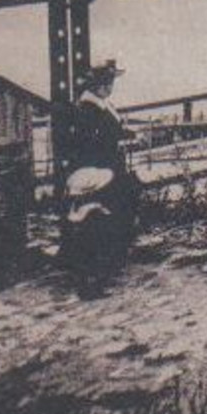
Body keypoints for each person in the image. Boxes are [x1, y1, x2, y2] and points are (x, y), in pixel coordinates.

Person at [59, 61, 140, 296]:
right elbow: (96, 141)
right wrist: (122, 139)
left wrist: (127, 135)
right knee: (101, 220)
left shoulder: (99, 105)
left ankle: (106, 265)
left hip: (105, 169)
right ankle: (94, 275)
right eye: (106, 83)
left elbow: (113, 131)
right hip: (96, 173)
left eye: (111, 82)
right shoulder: (88, 109)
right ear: (96, 86)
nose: (110, 87)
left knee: (122, 204)